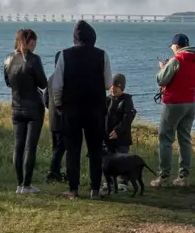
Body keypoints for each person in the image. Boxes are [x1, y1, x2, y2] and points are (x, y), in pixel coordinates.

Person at [51, 20, 113, 200]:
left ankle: (73, 189)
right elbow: (109, 83)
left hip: (71, 109)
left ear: (75, 38)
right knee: (95, 150)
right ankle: (95, 189)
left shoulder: (64, 55)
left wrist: (60, 104)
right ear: (93, 37)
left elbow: (57, 85)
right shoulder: (102, 55)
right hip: (95, 109)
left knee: (73, 150)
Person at [151, 34, 195, 188]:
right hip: (191, 102)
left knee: (165, 138)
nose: (172, 48)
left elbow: (161, 80)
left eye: (172, 46)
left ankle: (163, 177)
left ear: (177, 46)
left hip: (174, 103)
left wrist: (163, 69)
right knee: (185, 138)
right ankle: (184, 176)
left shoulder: (177, 60)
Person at [4, 29, 48, 194]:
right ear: (27, 42)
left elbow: (8, 82)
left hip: (16, 107)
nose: (35, 45)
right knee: (30, 147)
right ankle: (27, 185)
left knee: (18, 146)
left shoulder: (8, 59)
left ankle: (18, 185)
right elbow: (43, 83)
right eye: (33, 42)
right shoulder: (34, 59)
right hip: (34, 109)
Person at [101, 73, 137, 192]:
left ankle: (124, 182)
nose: (113, 89)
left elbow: (127, 118)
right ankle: (109, 182)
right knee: (108, 160)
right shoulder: (106, 100)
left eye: (116, 86)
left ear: (121, 87)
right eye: (111, 86)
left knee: (123, 159)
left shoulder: (127, 100)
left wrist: (118, 130)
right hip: (107, 137)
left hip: (122, 137)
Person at [43, 51, 66, 183]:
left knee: (56, 147)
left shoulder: (51, 78)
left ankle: (56, 171)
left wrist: (51, 109)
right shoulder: (64, 77)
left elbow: (45, 98)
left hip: (53, 119)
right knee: (61, 147)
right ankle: (53, 172)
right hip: (62, 118)